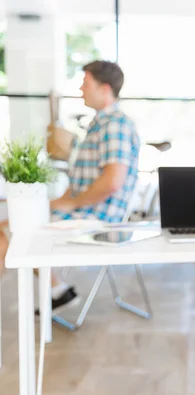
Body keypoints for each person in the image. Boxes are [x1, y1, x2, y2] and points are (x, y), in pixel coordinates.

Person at [0, 60, 140, 313]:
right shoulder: (99, 125)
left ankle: (57, 290)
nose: (80, 89)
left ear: (105, 88)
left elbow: (112, 182)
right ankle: (57, 290)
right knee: (11, 226)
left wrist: (70, 202)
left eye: (86, 83)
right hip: (85, 210)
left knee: (10, 231)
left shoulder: (115, 125)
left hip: (100, 219)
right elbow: (81, 183)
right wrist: (60, 201)